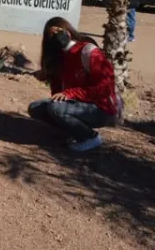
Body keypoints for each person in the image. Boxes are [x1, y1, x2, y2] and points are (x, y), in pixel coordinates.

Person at [28, 17, 119, 152]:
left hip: (101, 109)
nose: (56, 35)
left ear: (68, 29)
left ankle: (90, 137)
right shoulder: (60, 58)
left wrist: (70, 94)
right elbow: (57, 89)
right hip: (77, 104)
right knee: (36, 108)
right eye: (51, 35)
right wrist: (61, 100)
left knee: (55, 109)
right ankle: (75, 131)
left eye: (59, 30)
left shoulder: (88, 52)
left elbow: (104, 88)